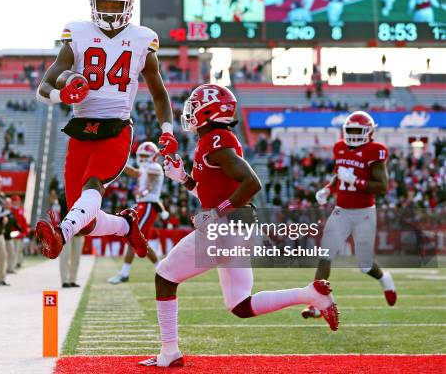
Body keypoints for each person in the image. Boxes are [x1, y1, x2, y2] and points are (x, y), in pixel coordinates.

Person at [139, 85, 339, 368]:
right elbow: (212, 192)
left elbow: (252, 183)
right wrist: (183, 178)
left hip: (226, 227)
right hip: (238, 226)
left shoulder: (216, 139)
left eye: (195, 106)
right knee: (241, 305)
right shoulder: (213, 140)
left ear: (209, 111)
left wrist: (217, 214)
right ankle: (310, 294)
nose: (191, 112)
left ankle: (169, 351)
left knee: (165, 277)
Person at [35, 0, 177, 261]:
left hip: (116, 126)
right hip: (81, 129)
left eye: (116, 4)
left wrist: (167, 130)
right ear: (93, 4)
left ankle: (60, 234)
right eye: (104, 4)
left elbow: (159, 93)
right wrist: (61, 96)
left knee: (93, 184)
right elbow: (43, 88)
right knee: (85, 224)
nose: (110, 11)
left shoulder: (142, 39)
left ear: (128, 6)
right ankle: (126, 225)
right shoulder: (77, 33)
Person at [303, 111, 396, 318]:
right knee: (325, 256)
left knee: (364, 265)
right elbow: (339, 174)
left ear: (369, 132)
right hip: (341, 210)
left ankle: (384, 278)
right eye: (350, 130)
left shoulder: (376, 151)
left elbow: (382, 187)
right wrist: (328, 188)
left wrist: (356, 181)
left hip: (364, 212)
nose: (353, 135)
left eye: (358, 131)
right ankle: (318, 304)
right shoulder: (340, 147)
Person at [108, 142, 167, 284]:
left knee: (133, 238)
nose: (143, 158)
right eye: (141, 155)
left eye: (146, 155)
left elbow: (151, 183)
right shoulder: (145, 167)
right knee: (139, 240)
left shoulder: (155, 167)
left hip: (148, 204)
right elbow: (134, 172)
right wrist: (120, 164)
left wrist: (145, 191)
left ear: (153, 156)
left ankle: (124, 274)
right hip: (143, 205)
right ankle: (162, 269)